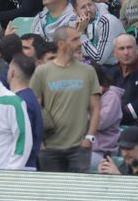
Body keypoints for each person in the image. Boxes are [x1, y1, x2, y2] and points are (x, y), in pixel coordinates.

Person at [30, 23, 102, 171]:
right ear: (61, 44)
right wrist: (40, 142)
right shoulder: (42, 72)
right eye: (74, 40)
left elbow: (95, 108)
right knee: (53, 193)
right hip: (50, 148)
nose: (80, 43)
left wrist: (89, 138)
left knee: (78, 193)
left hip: (79, 148)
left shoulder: (88, 71)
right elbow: (34, 109)